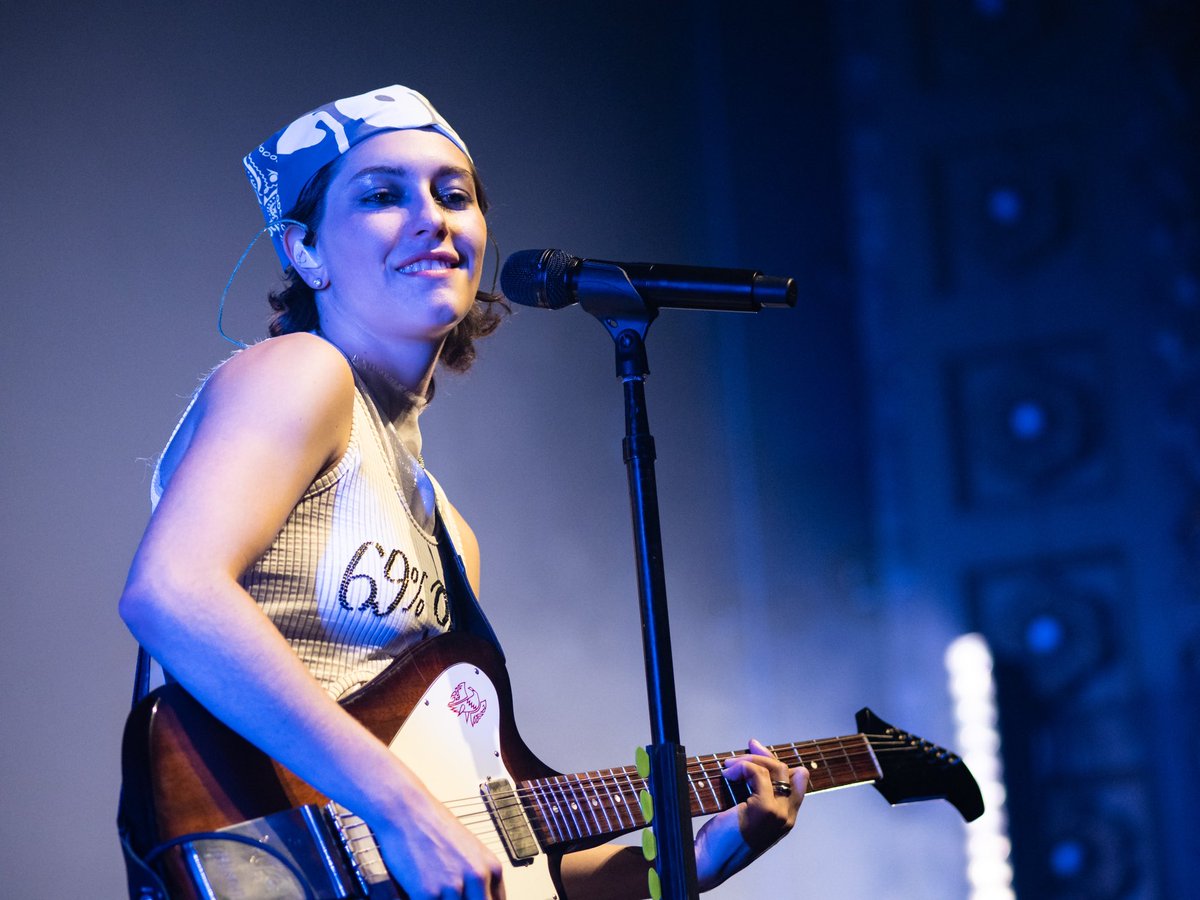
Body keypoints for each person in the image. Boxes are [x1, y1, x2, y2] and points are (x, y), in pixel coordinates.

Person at [119, 84, 807, 899]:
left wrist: (701, 861)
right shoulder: (299, 372)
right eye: (382, 196)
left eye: (455, 195)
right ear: (305, 251)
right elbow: (172, 591)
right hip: (266, 859)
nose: (433, 217)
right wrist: (402, 811)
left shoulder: (451, 532)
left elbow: (508, 854)